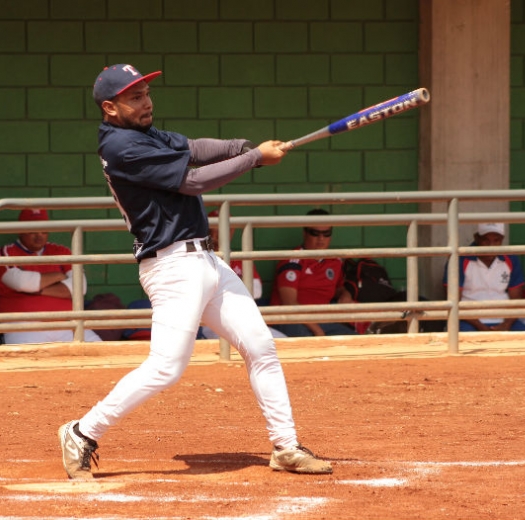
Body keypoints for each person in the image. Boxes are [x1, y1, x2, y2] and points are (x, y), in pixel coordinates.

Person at [57, 63, 332, 481]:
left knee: (261, 347)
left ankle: (286, 446)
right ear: (110, 108)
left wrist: (240, 146)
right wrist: (255, 159)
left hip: (205, 260)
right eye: (135, 97)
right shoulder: (121, 147)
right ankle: (81, 431)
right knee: (166, 367)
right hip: (170, 266)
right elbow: (193, 180)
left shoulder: (146, 135)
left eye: (146, 92)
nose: (146, 101)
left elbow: (195, 148)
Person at [0, 208, 101, 344]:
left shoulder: (61, 251)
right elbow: (21, 283)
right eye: (33, 231)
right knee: (27, 362)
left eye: (44, 230)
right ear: (20, 230)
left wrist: (36, 289)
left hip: (67, 323)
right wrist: (58, 276)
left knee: (100, 351)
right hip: (24, 326)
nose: (39, 236)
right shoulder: (5, 253)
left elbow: (80, 287)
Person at [269, 209, 356, 337]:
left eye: (326, 234)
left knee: (355, 341)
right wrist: (317, 330)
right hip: (291, 319)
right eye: (315, 233)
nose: (321, 238)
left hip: (323, 320)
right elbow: (289, 304)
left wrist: (345, 294)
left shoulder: (335, 261)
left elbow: (337, 288)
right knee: (307, 343)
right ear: (305, 233)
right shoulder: (293, 259)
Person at [201, 209, 286, 340]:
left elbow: (256, 291)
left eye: (223, 230)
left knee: (282, 340)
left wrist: (221, 289)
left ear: (232, 232)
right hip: (212, 322)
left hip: (243, 319)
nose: (216, 235)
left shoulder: (239, 257)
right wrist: (237, 285)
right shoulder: (199, 258)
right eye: (213, 230)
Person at [443, 223, 525, 332]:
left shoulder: (511, 259)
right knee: (466, 343)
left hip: (504, 319)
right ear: (477, 238)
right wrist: (480, 326)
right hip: (469, 320)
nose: (491, 246)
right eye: (486, 240)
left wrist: (506, 324)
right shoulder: (460, 259)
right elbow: (454, 301)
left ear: (502, 240)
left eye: (496, 240)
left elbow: (516, 301)